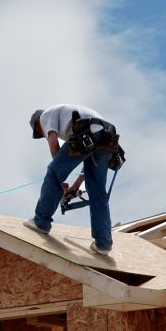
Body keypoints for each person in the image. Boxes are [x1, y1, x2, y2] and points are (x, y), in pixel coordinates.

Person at [24, 104, 118, 255]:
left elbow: (54, 146)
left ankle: (41, 222)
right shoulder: (64, 114)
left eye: (40, 133)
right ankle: (103, 244)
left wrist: (59, 178)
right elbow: (87, 159)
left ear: (37, 125)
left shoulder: (44, 117)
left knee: (53, 171)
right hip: (107, 137)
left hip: (88, 131)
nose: (43, 135)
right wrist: (75, 186)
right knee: (98, 192)